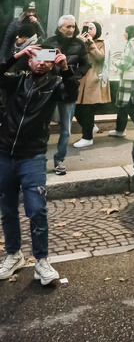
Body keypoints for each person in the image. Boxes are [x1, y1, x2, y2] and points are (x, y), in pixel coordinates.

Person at [0, 42, 78, 283]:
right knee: (8, 209)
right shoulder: (17, 81)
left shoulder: (55, 85)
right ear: (30, 60)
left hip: (32, 157)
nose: (41, 63)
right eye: (36, 57)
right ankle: (14, 255)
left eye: (47, 58)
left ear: (52, 61)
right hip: (4, 155)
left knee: (37, 210)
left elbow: (72, 94)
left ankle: (42, 261)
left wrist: (66, 70)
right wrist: (16, 56)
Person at [42, 15, 90, 175]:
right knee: (42, 126)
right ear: (60, 28)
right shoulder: (50, 42)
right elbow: (41, 64)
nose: (71, 30)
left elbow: (85, 64)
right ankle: (39, 160)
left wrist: (76, 77)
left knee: (66, 129)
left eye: (73, 26)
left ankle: (59, 160)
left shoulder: (79, 44)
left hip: (69, 89)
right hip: (49, 89)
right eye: (67, 27)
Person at [73, 21, 111, 148]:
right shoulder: (81, 40)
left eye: (91, 28)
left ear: (97, 30)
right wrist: (78, 42)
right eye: (87, 28)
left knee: (88, 109)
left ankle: (87, 137)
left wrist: (91, 44)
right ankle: (91, 128)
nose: (88, 30)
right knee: (76, 108)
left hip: (94, 79)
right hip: (81, 78)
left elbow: (101, 59)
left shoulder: (102, 43)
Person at [109, 25, 134, 137]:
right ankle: (120, 129)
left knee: (130, 107)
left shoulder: (130, 44)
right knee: (123, 106)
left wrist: (115, 62)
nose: (124, 34)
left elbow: (126, 63)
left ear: (130, 33)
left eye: (126, 32)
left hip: (129, 80)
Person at [0, 0, 45, 64]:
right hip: (16, 55)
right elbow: (6, 42)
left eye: (33, 12)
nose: (31, 14)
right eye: (29, 12)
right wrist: (2, 60)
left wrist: (37, 23)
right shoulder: (15, 23)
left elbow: (43, 36)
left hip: (31, 57)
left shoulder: (37, 23)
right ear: (25, 11)